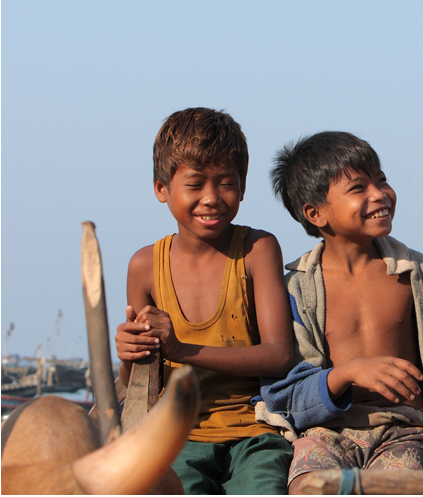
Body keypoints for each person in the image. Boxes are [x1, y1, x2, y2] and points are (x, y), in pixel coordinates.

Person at [258, 131, 423, 494]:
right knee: (310, 487)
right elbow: (284, 396)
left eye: (381, 180)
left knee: (393, 487)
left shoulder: (415, 275)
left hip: (405, 430)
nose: (379, 194)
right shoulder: (296, 290)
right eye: (358, 188)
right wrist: (347, 373)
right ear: (315, 213)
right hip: (325, 434)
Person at [114, 107, 295, 494]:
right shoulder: (145, 266)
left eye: (225, 183)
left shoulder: (257, 250)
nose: (211, 198)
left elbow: (280, 355)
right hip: (178, 434)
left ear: (243, 186)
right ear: (162, 189)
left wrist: (182, 348)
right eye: (195, 185)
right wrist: (130, 358)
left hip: (257, 431)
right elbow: (141, 384)